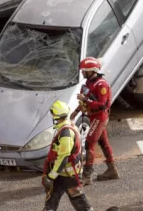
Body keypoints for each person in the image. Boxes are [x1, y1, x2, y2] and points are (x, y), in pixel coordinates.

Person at [72, 57, 118, 185]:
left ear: (92, 70)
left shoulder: (101, 85)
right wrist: (76, 112)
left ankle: (87, 176)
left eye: (84, 71)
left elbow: (102, 105)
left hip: (99, 117)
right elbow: (84, 101)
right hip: (93, 116)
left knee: (89, 144)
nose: (82, 73)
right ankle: (112, 170)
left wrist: (86, 100)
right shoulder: (88, 84)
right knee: (103, 143)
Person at [42, 100, 92, 211]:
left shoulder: (66, 134)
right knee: (56, 198)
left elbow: (63, 158)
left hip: (66, 174)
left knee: (67, 197)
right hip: (67, 173)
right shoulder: (67, 126)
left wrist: (51, 176)